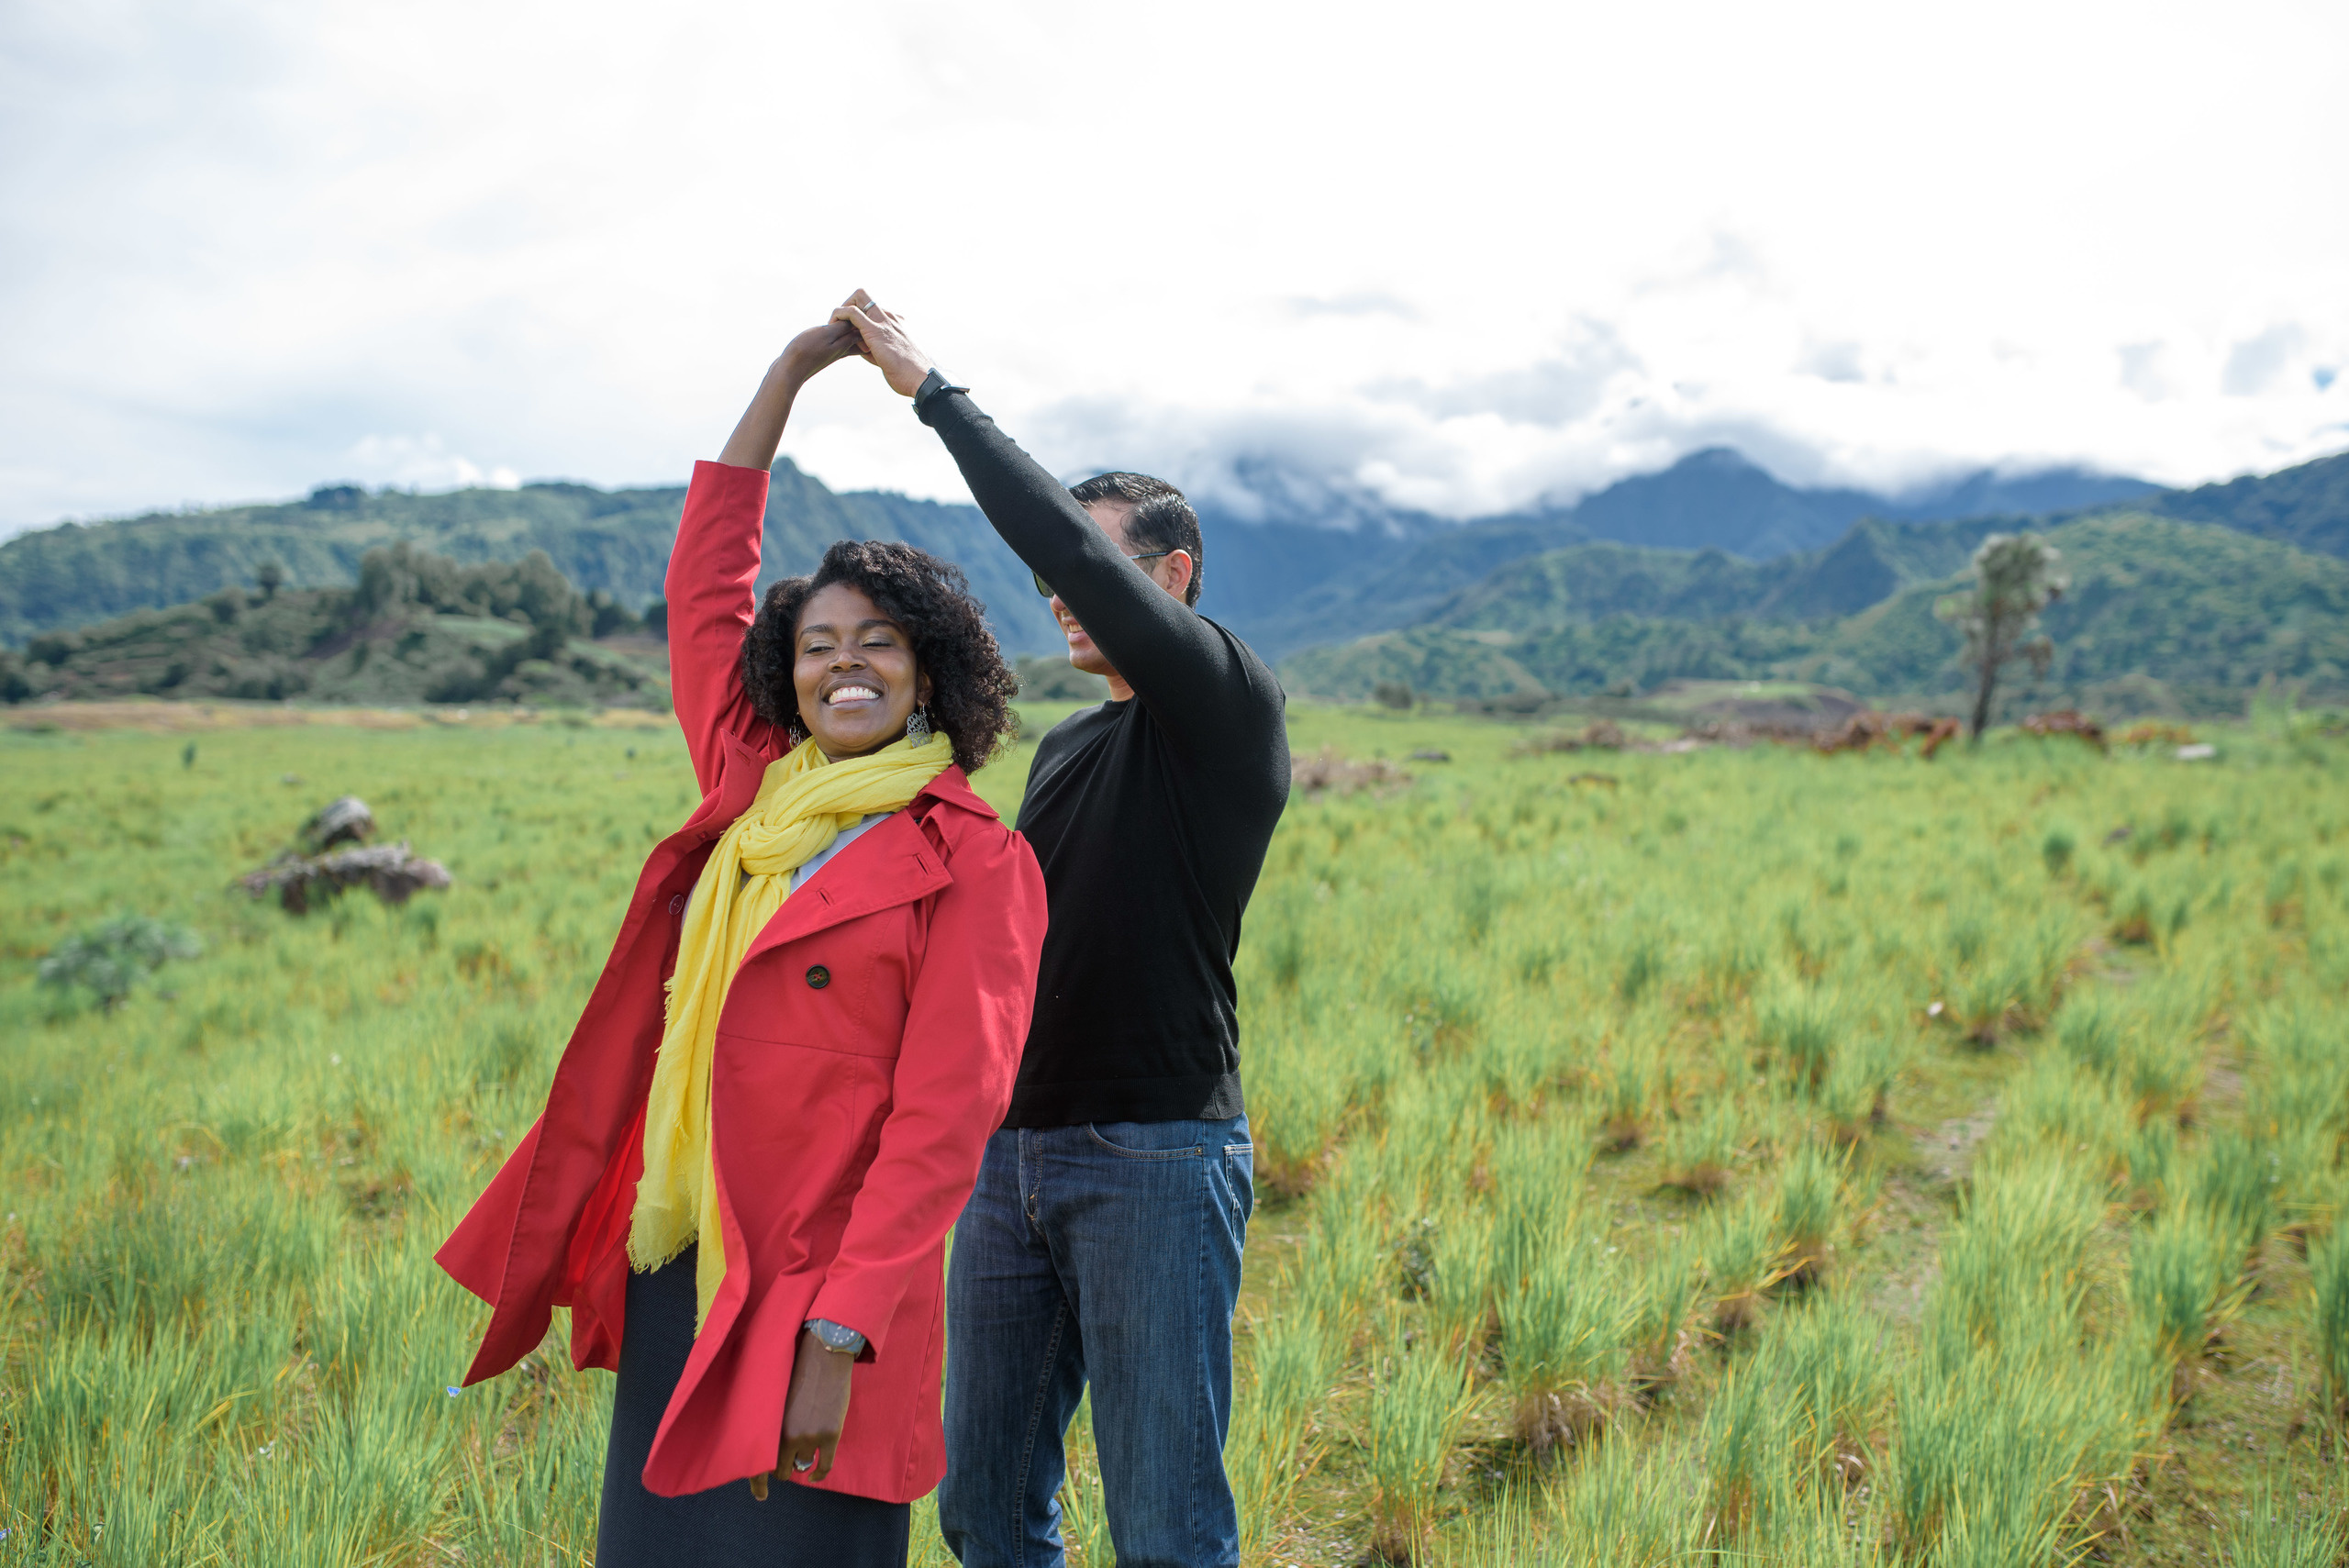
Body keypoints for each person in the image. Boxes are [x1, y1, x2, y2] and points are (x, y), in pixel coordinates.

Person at [435, 307, 1048, 1567]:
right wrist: (788, 376)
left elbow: (944, 1124)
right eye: (821, 645)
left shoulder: (975, 858)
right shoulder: (751, 785)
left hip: (824, 1285)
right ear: (792, 671)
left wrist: (845, 1326)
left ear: (929, 672)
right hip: (687, 1247)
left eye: (879, 641)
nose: (847, 666)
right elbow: (704, 583)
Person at [831, 295, 1290, 1568]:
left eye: (1083, 570)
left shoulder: (1223, 704)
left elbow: (1080, 559)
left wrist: (933, 394)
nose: (1057, 596)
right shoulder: (1069, 746)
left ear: (1174, 578)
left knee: (1163, 1529)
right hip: (1008, 1158)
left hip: (1151, 1150)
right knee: (982, 1508)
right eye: (1046, 581)